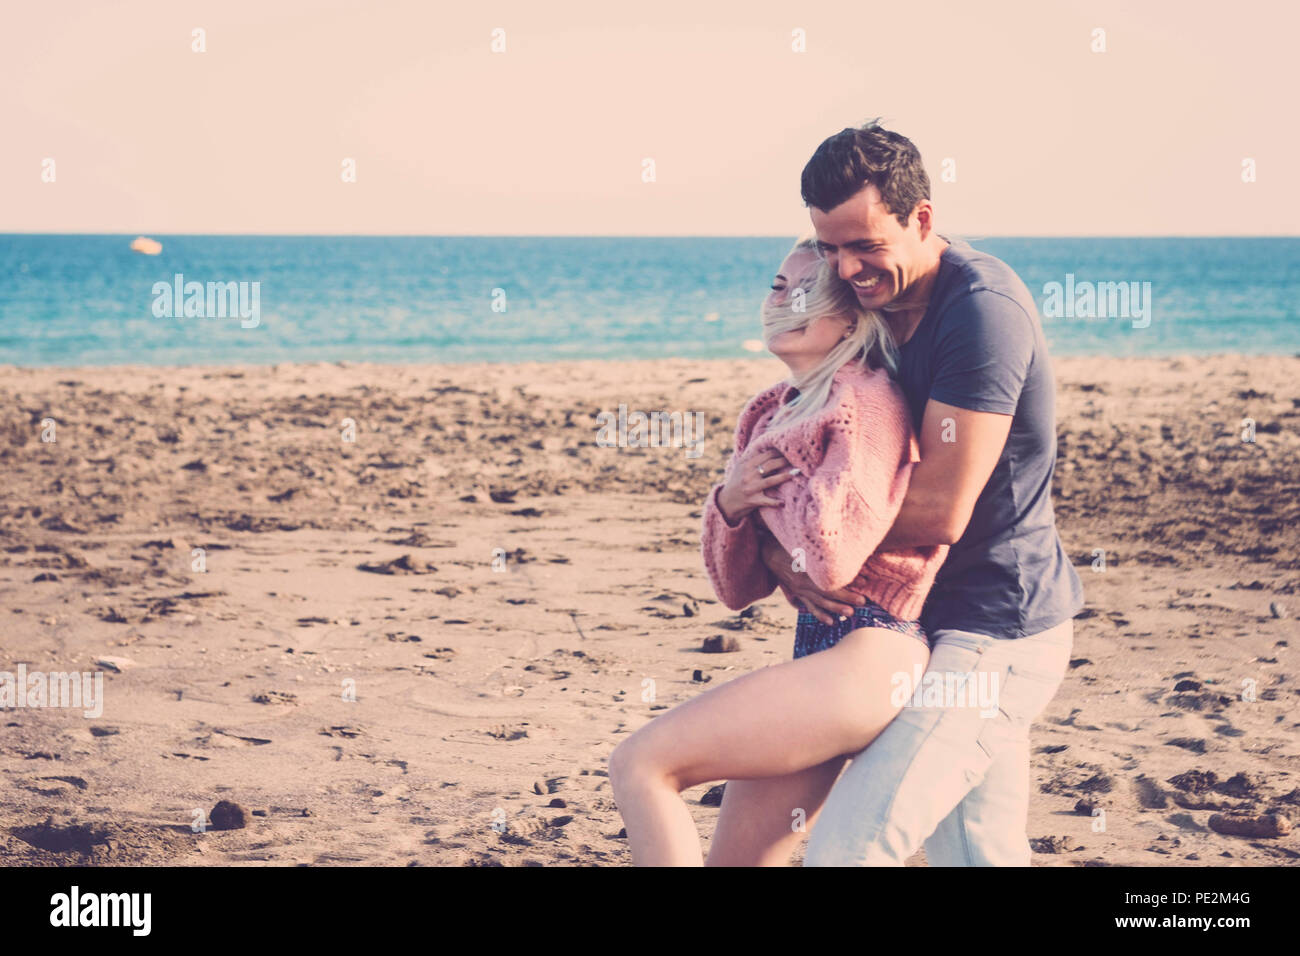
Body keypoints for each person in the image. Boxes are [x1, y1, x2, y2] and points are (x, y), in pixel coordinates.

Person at [758, 121, 1086, 866]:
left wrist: (806, 552)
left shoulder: (981, 312)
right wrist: (769, 535)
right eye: (830, 246)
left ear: (923, 219)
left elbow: (940, 509)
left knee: (847, 849)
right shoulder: (869, 304)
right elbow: (817, 454)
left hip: (995, 630)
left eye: (865, 245)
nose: (845, 268)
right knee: (978, 855)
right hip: (913, 627)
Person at [607, 238, 948, 866]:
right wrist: (732, 503)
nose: (778, 302)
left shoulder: (864, 404)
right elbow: (736, 589)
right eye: (774, 285)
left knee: (640, 764)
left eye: (803, 291)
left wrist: (772, 524)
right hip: (818, 652)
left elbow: (830, 558)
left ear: (849, 318)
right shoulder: (773, 410)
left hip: (871, 655)